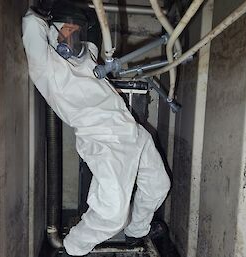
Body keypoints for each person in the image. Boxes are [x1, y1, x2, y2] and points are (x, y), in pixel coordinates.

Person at [22, 1, 170, 256]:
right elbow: (30, 24)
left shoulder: (85, 57)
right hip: (103, 140)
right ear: (53, 31)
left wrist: (84, 16)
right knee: (111, 214)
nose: (74, 35)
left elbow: (91, 32)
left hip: (133, 132)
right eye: (68, 30)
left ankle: (137, 232)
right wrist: (40, 11)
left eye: (76, 30)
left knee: (159, 185)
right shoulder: (46, 68)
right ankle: (73, 248)